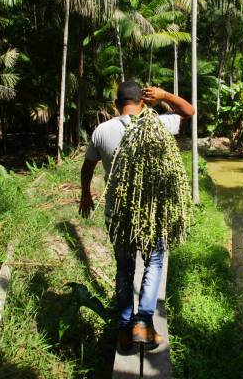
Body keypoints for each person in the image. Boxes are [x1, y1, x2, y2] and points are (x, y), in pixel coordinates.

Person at [79, 80, 194, 352]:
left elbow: (87, 167)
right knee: (154, 261)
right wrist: (164, 95)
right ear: (143, 102)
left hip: (118, 215)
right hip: (151, 215)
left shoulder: (101, 130)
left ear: (115, 105)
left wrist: (86, 193)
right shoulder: (158, 124)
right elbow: (189, 111)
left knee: (124, 267)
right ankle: (143, 322)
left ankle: (124, 331)